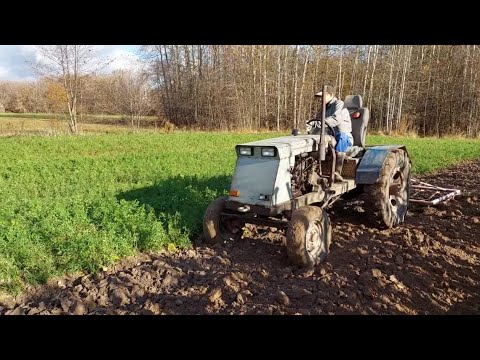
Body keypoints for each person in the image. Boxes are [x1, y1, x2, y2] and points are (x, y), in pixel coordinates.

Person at [308, 85, 353, 182]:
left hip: (342, 137)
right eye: (319, 97)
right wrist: (310, 127)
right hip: (329, 137)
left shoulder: (339, 104)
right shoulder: (323, 109)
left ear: (331, 95)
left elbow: (336, 119)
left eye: (322, 96)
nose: (320, 99)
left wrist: (318, 123)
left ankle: (336, 172)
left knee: (342, 136)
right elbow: (318, 124)